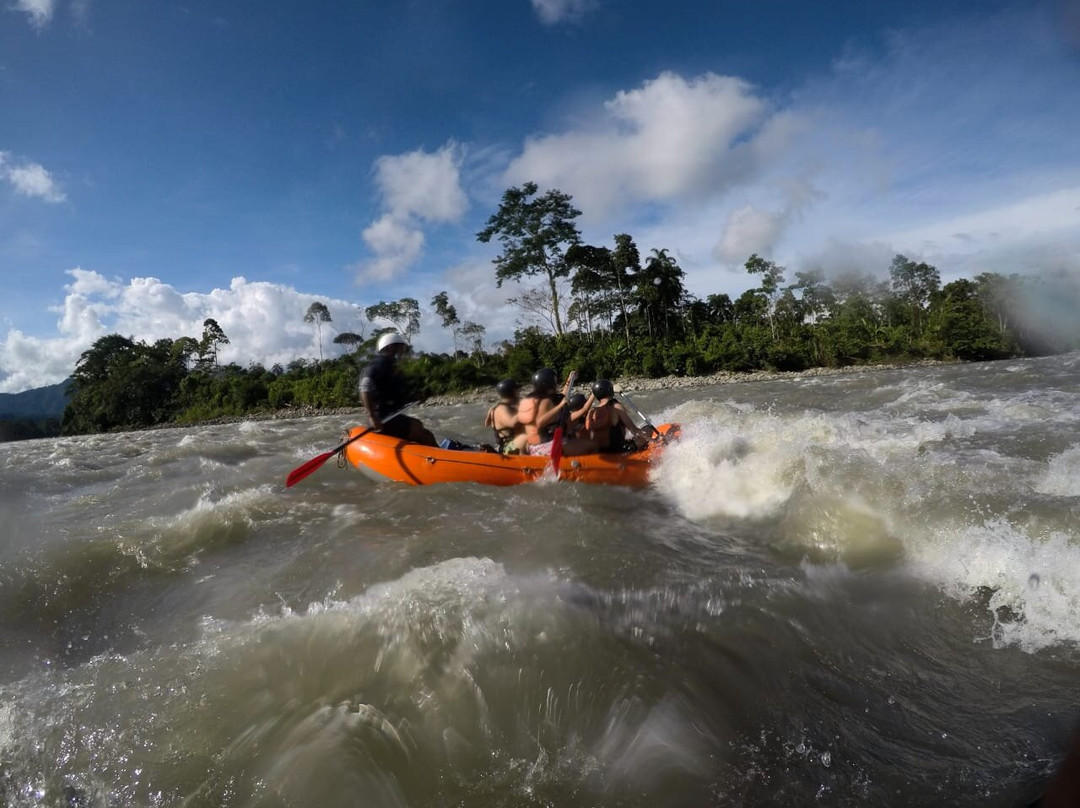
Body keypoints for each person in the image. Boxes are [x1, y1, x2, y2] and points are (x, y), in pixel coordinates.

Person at [358, 331, 437, 446]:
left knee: (422, 429)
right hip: (382, 419)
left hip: (389, 416)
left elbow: (397, 395)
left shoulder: (391, 366)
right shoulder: (379, 364)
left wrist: (416, 398)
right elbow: (364, 388)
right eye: (400, 348)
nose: (403, 351)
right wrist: (372, 416)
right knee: (421, 430)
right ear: (390, 347)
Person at [517, 368, 596, 456]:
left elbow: (564, 395)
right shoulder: (545, 402)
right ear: (550, 383)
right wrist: (559, 407)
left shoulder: (550, 398)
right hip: (547, 445)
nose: (556, 384)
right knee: (592, 445)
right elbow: (539, 423)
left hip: (551, 442)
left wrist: (570, 379)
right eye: (554, 381)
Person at [584, 379, 649, 452]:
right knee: (647, 429)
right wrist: (651, 440)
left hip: (600, 451)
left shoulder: (592, 411)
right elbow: (634, 430)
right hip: (619, 450)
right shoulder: (616, 406)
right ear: (610, 390)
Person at [484, 378, 528, 455]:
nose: (519, 392)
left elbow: (486, 423)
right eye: (518, 390)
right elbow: (512, 423)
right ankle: (527, 464)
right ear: (512, 392)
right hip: (509, 446)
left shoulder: (500, 407)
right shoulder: (501, 409)